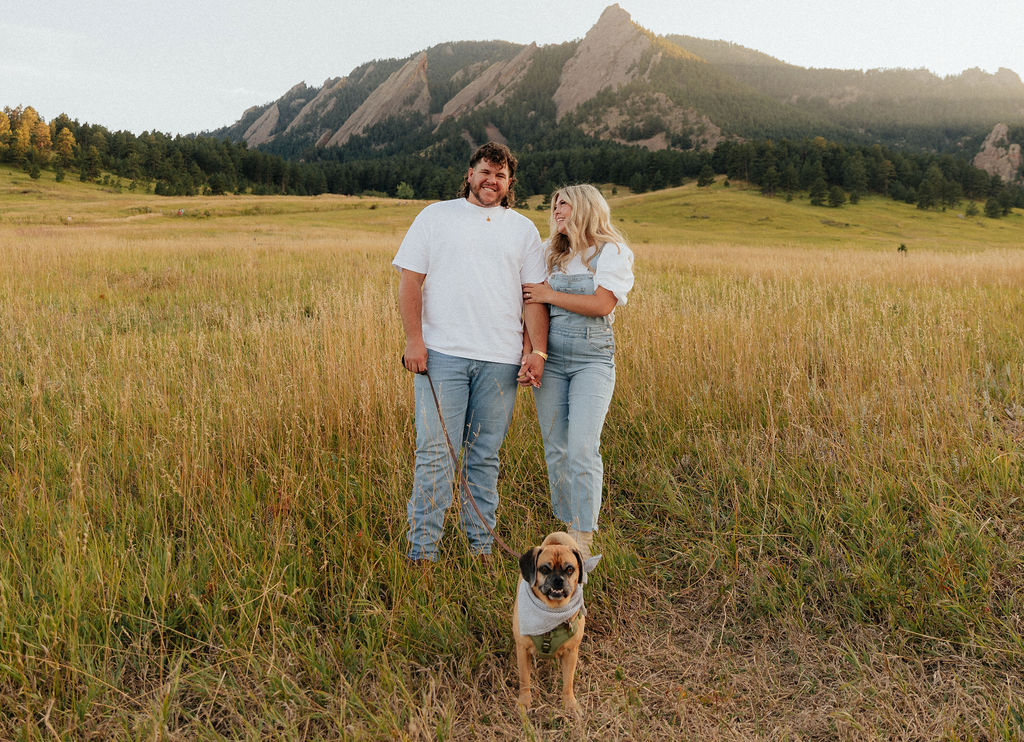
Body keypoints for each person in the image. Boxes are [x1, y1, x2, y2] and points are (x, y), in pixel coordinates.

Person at [394, 142, 549, 563]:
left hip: (500, 362)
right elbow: (410, 282)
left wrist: (536, 351)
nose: (491, 181)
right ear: (469, 173)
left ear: (509, 183)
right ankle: (422, 553)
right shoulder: (436, 216)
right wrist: (414, 340)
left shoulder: (522, 230)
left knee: (483, 456)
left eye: (500, 175)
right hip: (442, 356)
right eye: (484, 171)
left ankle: (480, 549)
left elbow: (533, 296)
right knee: (435, 455)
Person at [522, 184, 634, 560]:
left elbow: (602, 304)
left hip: (592, 360)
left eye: (564, 204)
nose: (556, 210)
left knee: (583, 447)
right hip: (551, 358)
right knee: (556, 447)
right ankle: (565, 523)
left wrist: (549, 295)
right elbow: (529, 306)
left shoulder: (612, 252)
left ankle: (584, 534)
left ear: (585, 208)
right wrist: (530, 353)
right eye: (554, 204)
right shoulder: (547, 251)